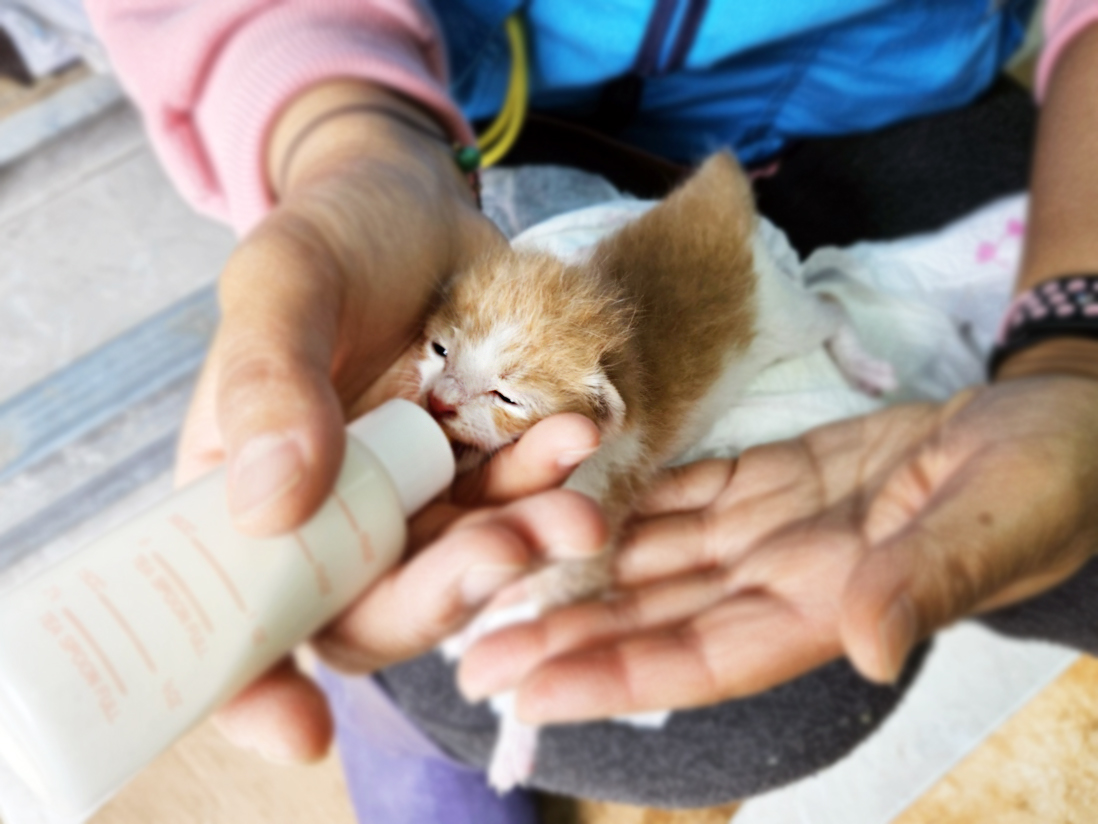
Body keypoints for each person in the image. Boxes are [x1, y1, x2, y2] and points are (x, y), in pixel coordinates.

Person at [83, 0, 1098, 817]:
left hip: (892, 87)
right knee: (453, 626)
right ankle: (387, 706)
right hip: (467, 125)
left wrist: (1072, 344)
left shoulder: (598, 404)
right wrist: (343, 136)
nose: (440, 393)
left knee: (1019, 566)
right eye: (445, 357)